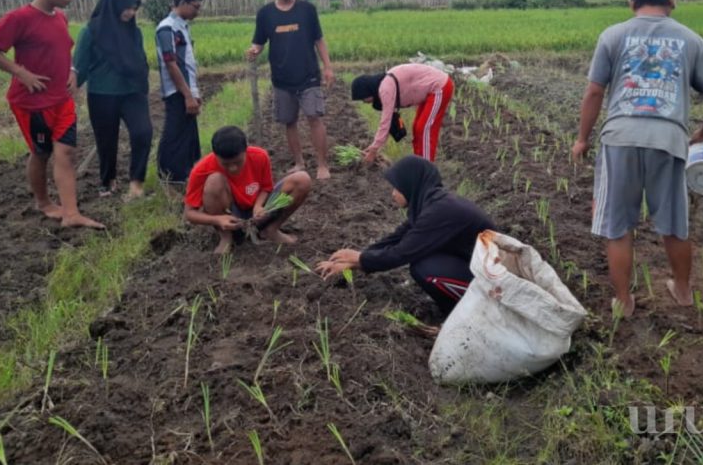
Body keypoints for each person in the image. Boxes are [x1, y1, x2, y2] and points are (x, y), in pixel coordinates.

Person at [571, 0, 703, 318]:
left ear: (631, 2)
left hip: (620, 139)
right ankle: (684, 292)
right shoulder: (690, 39)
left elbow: (595, 91)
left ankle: (624, 301)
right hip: (669, 140)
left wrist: (582, 139)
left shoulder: (613, 36)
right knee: (673, 221)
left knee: (617, 225)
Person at [0, 0, 104, 229]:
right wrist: (20, 72)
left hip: (62, 99)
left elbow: (63, 48)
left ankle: (71, 213)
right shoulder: (19, 18)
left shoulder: (60, 17)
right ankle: (43, 203)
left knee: (66, 152)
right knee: (41, 153)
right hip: (32, 102)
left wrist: (70, 69)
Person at [316, 156, 495, 313]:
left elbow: (402, 253)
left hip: (494, 284)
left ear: (411, 184)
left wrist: (361, 259)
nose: (393, 194)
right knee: (425, 262)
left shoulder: (439, 211)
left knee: (425, 268)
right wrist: (358, 257)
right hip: (476, 267)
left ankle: (465, 314)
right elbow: (397, 237)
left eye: (397, 187)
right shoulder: (429, 204)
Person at [246, 0, 335, 180]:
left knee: (314, 117)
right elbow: (259, 42)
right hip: (282, 78)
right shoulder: (265, 14)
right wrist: (254, 50)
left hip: (308, 75)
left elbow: (318, 39)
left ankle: (322, 165)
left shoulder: (307, 10)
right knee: (289, 121)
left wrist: (328, 67)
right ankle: (299, 162)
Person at [73, 0, 153, 200]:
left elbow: (140, 60)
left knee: (142, 133)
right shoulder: (90, 31)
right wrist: (69, 93)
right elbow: (79, 66)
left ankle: (136, 183)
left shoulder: (134, 32)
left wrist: (143, 79)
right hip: (102, 94)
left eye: (134, 9)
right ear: (113, 6)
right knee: (106, 140)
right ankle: (107, 180)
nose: (131, 13)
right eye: (127, 8)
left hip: (132, 92)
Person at [184, 126, 312, 254]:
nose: (233, 168)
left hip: (261, 212)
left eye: (238, 162)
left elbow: (266, 188)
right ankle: (227, 237)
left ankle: (271, 230)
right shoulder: (202, 169)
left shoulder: (259, 156)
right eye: (226, 164)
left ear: (246, 150)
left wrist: (258, 206)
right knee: (214, 181)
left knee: (302, 179)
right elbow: (190, 214)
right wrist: (218, 220)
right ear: (215, 155)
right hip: (232, 217)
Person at [351, 63, 455, 163]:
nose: (364, 102)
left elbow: (385, 123)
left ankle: (426, 169)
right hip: (430, 91)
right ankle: (419, 163)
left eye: (362, 98)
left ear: (367, 91)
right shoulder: (384, 85)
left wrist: (374, 149)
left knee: (424, 128)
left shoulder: (385, 89)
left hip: (439, 87)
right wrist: (374, 147)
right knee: (416, 127)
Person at [157, 0, 206, 184]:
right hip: (177, 92)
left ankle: (187, 173)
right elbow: (171, 64)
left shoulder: (182, 27)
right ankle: (170, 176)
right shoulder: (167, 29)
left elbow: (186, 63)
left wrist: (194, 91)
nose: (197, 11)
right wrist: (187, 95)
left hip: (186, 90)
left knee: (187, 135)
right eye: (195, 6)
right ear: (183, 2)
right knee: (175, 135)